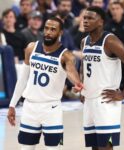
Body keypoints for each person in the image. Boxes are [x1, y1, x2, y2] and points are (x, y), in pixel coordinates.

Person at [7, 17, 83, 150]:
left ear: (60, 33)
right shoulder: (31, 48)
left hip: (51, 110)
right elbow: (23, 79)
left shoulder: (66, 56)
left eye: (53, 29)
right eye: (46, 28)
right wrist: (12, 105)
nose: (48, 32)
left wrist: (76, 84)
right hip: (30, 107)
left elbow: (72, 74)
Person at [81, 6, 124, 150]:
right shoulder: (84, 41)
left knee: (106, 146)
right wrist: (82, 87)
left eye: (90, 18)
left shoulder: (110, 40)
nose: (85, 21)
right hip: (89, 100)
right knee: (94, 146)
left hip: (106, 100)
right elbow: (84, 66)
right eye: (84, 18)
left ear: (101, 22)